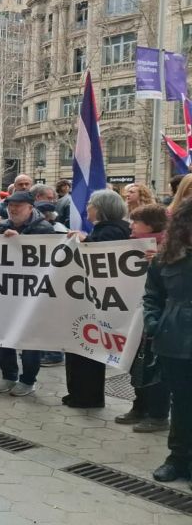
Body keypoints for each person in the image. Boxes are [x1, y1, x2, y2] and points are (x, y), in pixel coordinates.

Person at [0, 191, 55, 395]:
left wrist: (21, 241)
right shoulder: (0, 226)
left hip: (31, 296)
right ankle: (8, 376)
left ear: (31, 208)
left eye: (19, 206)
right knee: (3, 336)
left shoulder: (44, 229)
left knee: (30, 340)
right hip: (4, 294)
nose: (13, 209)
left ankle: (28, 380)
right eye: (11, 205)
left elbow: (47, 260)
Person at [63, 189, 130, 408]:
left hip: (96, 302)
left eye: (91, 204)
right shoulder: (111, 229)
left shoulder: (108, 232)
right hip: (94, 300)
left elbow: (102, 264)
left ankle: (85, 396)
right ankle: (78, 393)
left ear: (100, 209)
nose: (87, 209)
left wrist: (86, 242)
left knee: (87, 352)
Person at [144, 199, 192, 483]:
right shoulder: (165, 258)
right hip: (173, 342)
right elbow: (152, 296)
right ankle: (178, 459)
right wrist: (154, 324)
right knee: (182, 402)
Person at [115, 204, 170, 434]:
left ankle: (157, 414)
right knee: (137, 364)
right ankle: (139, 406)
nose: (131, 226)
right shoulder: (132, 246)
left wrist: (160, 262)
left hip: (158, 317)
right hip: (137, 315)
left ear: (150, 225)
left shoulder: (169, 248)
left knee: (155, 367)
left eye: (136, 222)